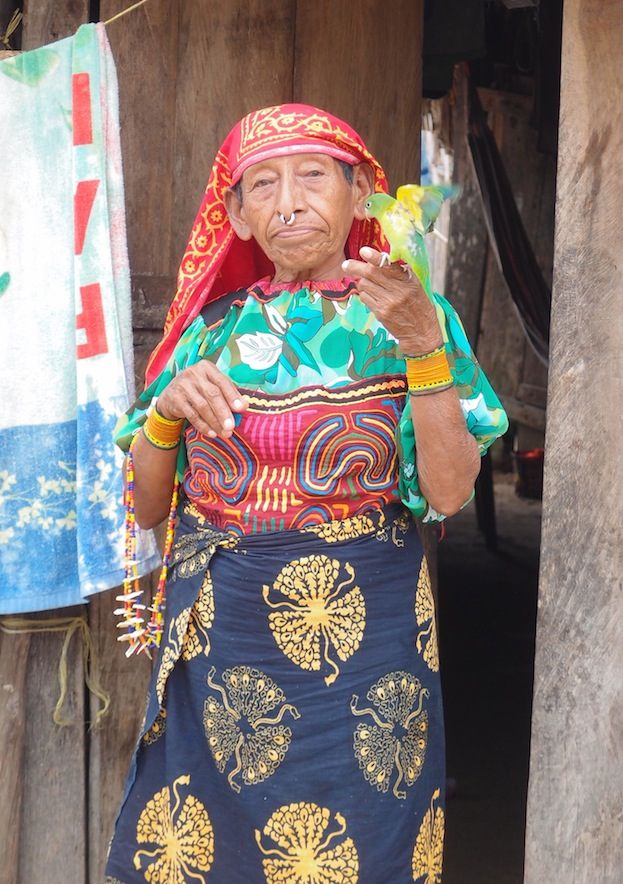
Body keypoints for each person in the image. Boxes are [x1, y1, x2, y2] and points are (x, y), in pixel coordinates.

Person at [105, 103, 508, 883]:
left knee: (367, 841)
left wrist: (423, 348)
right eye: (263, 184)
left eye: (313, 176)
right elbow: (149, 508)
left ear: (359, 194)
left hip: (368, 647)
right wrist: (163, 414)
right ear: (238, 216)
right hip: (225, 648)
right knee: (209, 851)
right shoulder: (209, 332)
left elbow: (449, 492)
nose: (288, 200)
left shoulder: (413, 318)